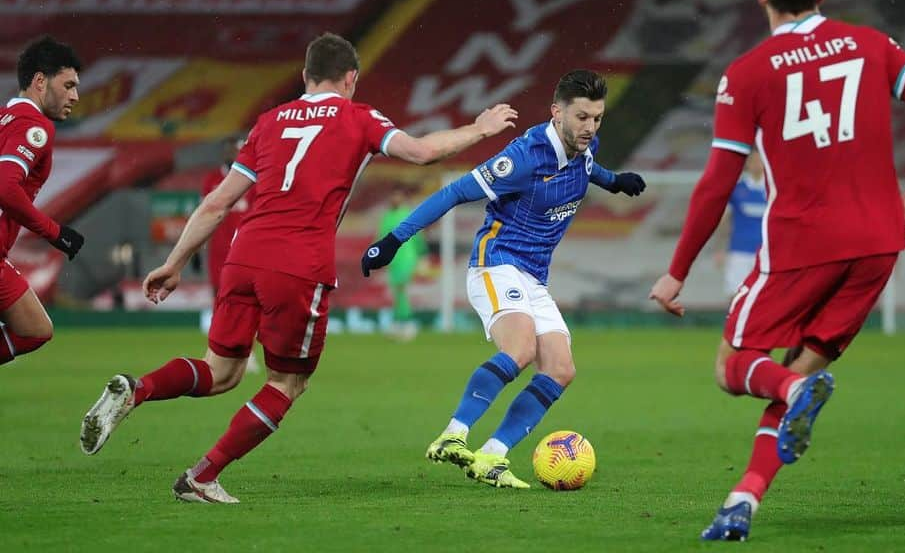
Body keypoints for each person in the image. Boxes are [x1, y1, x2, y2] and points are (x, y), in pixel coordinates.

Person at [79, 32, 519, 503]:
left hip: (243, 254)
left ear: (305, 77)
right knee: (288, 382)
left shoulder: (267, 123)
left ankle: (138, 388)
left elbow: (217, 203)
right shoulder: (359, 117)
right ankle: (201, 477)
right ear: (351, 79)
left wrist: (174, 262)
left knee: (220, 371)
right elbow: (423, 152)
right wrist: (480, 129)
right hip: (296, 263)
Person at [648, 0, 905, 541]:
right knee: (798, 375)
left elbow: (717, 182)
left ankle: (795, 389)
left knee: (734, 367)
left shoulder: (747, 72)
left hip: (803, 243)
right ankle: (743, 500)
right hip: (877, 243)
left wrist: (677, 270)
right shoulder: (870, 44)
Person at [362, 69, 647, 489]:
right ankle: (453, 435)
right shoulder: (524, 157)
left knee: (561, 368)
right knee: (521, 348)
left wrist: (614, 181)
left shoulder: (585, 146)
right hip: (496, 263)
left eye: (597, 118)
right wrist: (394, 240)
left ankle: (491, 456)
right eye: (582, 117)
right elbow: (454, 192)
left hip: (534, 277)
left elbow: (587, 166)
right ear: (557, 113)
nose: (590, 127)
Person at [0, 36, 85, 367]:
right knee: (34, 329)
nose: (75, 96)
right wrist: (55, 232)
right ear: (39, 81)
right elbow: (5, 188)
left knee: (35, 327)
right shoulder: (35, 125)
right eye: (68, 85)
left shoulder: (5, 118)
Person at [200, 134, 262, 373]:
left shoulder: (253, 181)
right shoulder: (212, 179)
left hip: (244, 249)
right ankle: (216, 353)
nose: (233, 153)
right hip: (218, 249)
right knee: (219, 299)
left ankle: (248, 353)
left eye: (237, 148)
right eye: (231, 149)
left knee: (248, 301)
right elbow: (204, 213)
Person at [375, 188, 428, 341]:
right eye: (393, 196)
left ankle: (406, 323)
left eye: (397, 196)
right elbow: (380, 237)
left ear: (402, 198)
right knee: (397, 291)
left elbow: (418, 236)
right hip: (393, 260)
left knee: (401, 288)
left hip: (407, 257)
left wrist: (423, 254)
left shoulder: (407, 214)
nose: (395, 199)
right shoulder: (387, 216)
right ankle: (399, 322)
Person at [714, 150, 766, 300]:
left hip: (766, 252)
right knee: (735, 296)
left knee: (764, 298)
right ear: (747, 164)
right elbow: (724, 221)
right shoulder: (736, 190)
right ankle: (734, 324)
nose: (756, 164)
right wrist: (719, 248)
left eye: (759, 160)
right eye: (753, 160)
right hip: (739, 251)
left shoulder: (774, 189)